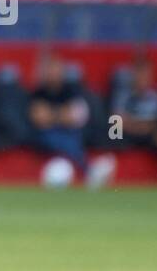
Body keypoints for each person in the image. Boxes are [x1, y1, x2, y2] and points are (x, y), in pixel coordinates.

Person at [29, 54, 115, 188]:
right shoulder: (39, 92)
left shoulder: (71, 91)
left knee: (73, 137)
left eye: (56, 69)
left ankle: (89, 171)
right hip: (45, 134)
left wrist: (52, 114)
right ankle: (89, 170)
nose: (53, 73)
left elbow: (74, 117)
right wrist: (61, 114)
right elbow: (39, 118)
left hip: (68, 131)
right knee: (61, 139)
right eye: (50, 70)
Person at [110, 59, 157, 165]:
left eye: (147, 75)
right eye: (140, 74)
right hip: (128, 135)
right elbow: (116, 120)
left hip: (150, 136)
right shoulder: (123, 94)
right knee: (114, 129)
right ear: (133, 75)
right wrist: (144, 126)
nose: (143, 79)